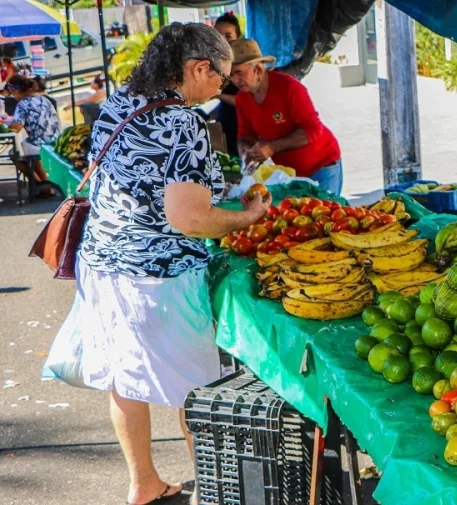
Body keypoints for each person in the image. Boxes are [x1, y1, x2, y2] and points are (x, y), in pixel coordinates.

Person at [49, 23, 271, 505]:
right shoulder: (185, 123)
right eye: (221, 77)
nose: (223, 87)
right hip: (158, 277)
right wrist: (248, 217)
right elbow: (189, 220)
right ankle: (212, 492)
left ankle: (143, 483)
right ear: (197, 68)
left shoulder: (119, 101)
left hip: (103, 262)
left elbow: (144, 183)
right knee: (195, 391)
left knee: (124, 379)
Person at [230, 39, 343, 195]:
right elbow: (246, 132)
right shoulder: (242, 99)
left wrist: (272, 147)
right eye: (231, 75)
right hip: (290, 175)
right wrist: (245, 147)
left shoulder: (289, 87)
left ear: (258, 69)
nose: (235, 80)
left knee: (325, 216)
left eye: (239, 73)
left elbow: (313, 129)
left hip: (321, 167)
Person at [6, 74, 61, 198]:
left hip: (38, 144)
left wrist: (7, 124)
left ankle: (40, 183)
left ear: (15, 91)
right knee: (26, 149)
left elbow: (17, 127)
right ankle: (45, 185)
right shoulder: (44, 99)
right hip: (55, 139)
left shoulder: (22, 104)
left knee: (14, 153)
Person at [213, 12, 241, 156]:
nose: (222, 40)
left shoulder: (243, 65)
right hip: (224, 125)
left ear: (238, 38)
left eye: (228, 36)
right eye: (218, 35)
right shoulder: (216, 64)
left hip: (243, 129)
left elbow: (245, 102)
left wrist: (217, 94)